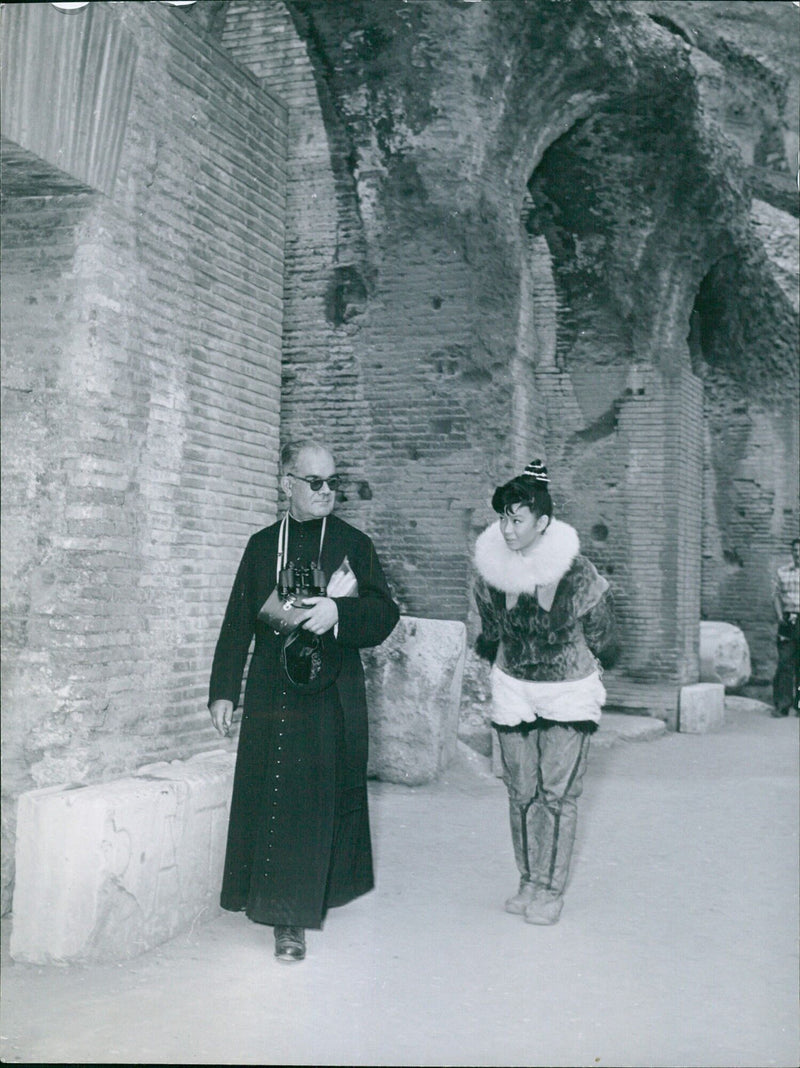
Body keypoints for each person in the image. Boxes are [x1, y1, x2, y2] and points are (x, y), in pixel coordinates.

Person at [208, 440, 399, 962]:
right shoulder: (262, 545)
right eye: (315, 482)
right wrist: (224, 690)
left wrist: (340, 612)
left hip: (332, 692)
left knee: (321, 799)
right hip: (274, 692)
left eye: (332, 482)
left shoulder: (353, 543)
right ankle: (285, 920)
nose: (327, 492)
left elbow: (385, 613)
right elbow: (237, 623)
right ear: (285, 483)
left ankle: (316, 892)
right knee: (282, 802)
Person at [473, 460, 615, 925]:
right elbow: (490, 630)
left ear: (543, 523)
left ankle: (551, 890)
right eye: (503, 519)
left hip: (566, 691)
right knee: (521, 792)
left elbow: (603, 632)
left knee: (558, 794)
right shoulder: (490, 570)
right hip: (514, 687)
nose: (507, 529)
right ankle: (528, 881)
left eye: (517, 520)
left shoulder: (577, 572)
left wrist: (580, 663)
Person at [771, 537, 800, 717]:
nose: (798, 554)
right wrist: (780, 616)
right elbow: (775, 596)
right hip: (789, 620)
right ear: (792, 552)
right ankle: (782, 705)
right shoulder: (782, 572)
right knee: (785, 662)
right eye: (795, 550)